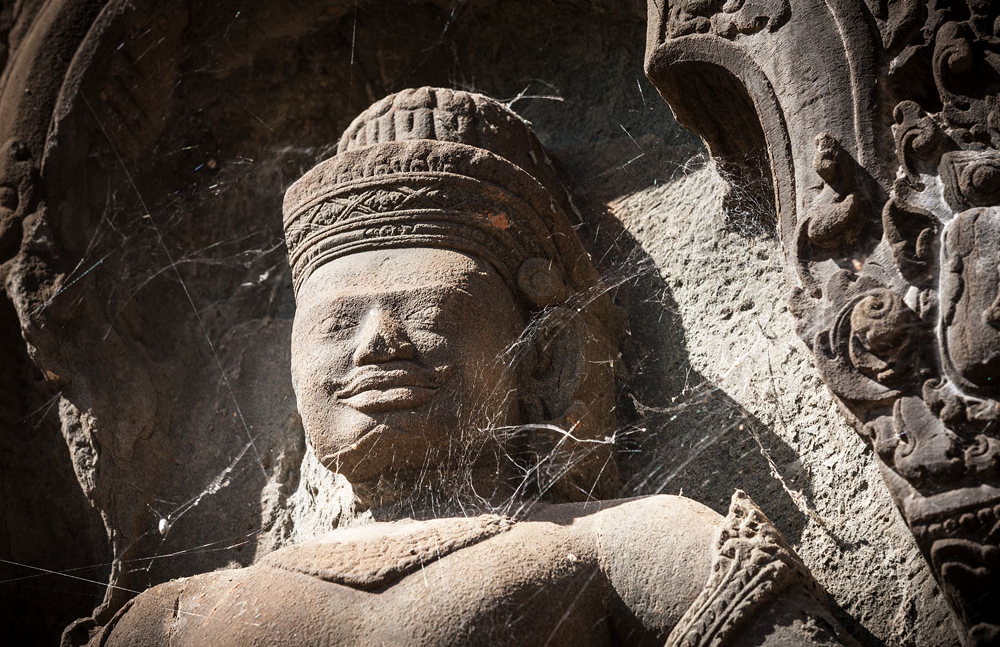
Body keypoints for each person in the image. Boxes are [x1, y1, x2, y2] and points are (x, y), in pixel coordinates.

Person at [91, 88, 854, 646]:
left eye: (427, 310)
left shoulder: (629, 544)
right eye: (337, 323)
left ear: (540, 353)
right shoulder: (168, 618)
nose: (379, 342)